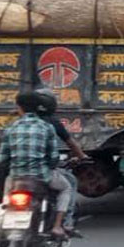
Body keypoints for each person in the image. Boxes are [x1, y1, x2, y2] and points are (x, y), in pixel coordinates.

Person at [0, 92, 71, 241]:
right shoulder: (47, 127)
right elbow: (53, 158)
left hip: (17, 177)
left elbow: (2, 158)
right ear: (39, 108)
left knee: (8, 187)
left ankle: (4, 222)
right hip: (41, 176)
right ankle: (57, 226)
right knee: (66, 188)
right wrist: (51, 165)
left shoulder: (10, 129)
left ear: (19, 107)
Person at [33, 91, 86, 235]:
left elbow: (2, 156)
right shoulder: (51, 125)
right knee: (68, 184)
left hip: (17, 174)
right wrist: (81, 157)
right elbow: (56, 154)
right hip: (43, 172)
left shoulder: (16, 124)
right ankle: (64, 224)